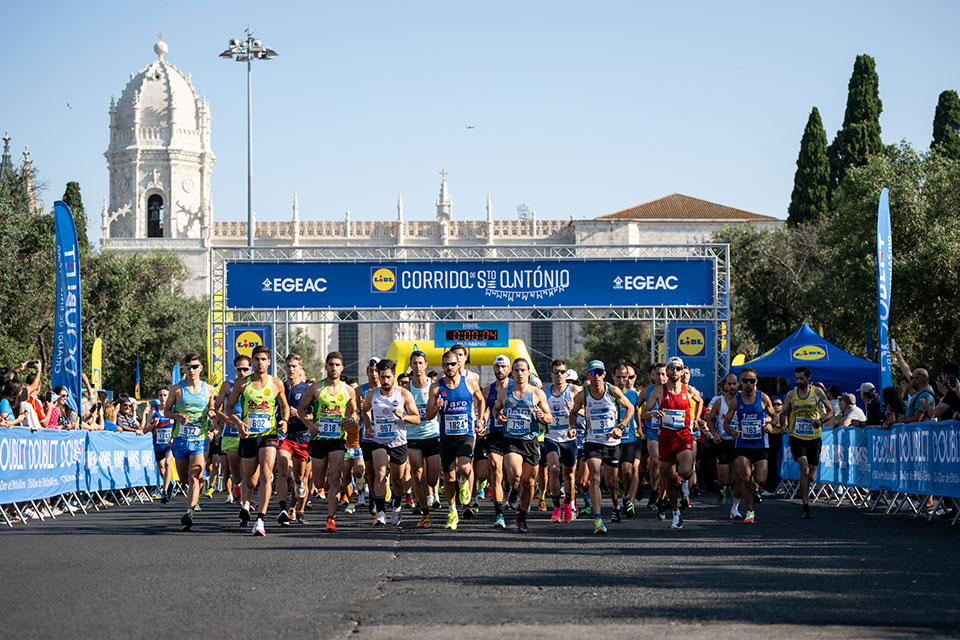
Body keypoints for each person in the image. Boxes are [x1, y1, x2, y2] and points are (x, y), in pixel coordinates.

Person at [226, 345, 290, 536]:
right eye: (257, 359)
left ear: (269, 362)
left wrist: (284, 421)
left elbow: (285, 407)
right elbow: (229, 408)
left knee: (266, 472)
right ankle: (246, 503)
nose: (260, 362)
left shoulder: (276, 384)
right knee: (249, 480)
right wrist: (238, 423)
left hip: (269, 434)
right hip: (248, 435)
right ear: (252, 361)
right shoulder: (243, 384)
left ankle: (260, 519)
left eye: (263, 359)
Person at [568, 360, 635, 534]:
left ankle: (615, 506)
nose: (596, 376)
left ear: (604, 374)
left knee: (612, 483)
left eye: (599, 372)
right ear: (588, 375)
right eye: (592, 373)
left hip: (612, 442)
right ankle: (598, 519)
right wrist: (572, 427)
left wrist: (620, 427)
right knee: (595, 478)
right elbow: (573, 412)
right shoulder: (583, 395)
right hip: (592, 441)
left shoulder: (612, 391)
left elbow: (630, 408)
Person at [425, 350, 486, 531]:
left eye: (452, 364)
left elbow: (482, 401)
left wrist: (480, 420)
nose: (450, 367)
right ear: (442, 367)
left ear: (459, 364)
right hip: (446, 437)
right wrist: (436, 408)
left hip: (466, 433)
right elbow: (428, 415)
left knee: (465, 467)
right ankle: (452, 511)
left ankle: (465, 483)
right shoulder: (436, 387)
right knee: (449, 477)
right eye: (446, 365)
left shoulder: (470, 383)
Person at [640, 357, 703, 530]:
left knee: (686, 471)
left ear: (683, 371)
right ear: (667, 371)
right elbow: (643, 413)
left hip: (683, 437)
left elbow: (700, 401)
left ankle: (683, 482)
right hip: (665, 439)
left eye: (678, 368)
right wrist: (653, 414)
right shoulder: (659, 391)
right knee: (667, 478)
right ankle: (675, 513)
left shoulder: (689, 390)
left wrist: (696, 419)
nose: (674, 371)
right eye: (671, 368)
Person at [299, 351, 358, 533]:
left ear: (342, 367)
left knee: (334, 477)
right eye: (331, 364)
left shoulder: (348, 390)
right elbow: (301, 409)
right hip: (318, 439)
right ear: (326, 366)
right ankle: (320, 487)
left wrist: (352, 419)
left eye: (337, 365)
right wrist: (309, 424)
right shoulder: (316, 389)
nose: (334, 368)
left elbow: (355, 412)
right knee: (318, 482)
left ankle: (331, 518)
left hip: (338, 440)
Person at [491, 358, 551, 533]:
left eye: (523, 370)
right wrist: (498, 417)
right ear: (512, 373)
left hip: (530, 441)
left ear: (528, 373)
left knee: (530, 482)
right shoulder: (504, 392)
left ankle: (522, 517)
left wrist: (541, 416)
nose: (519, 374)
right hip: (511, 440)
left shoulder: (538, 394)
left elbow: (549, 419)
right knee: (515, 475)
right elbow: (496, 409)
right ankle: (514, 490)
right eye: (516, 370)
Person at [163, 353, 218, 531]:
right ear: (184, 369)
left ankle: (189, 512)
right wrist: (177, 416)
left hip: (199, 440)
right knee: (186, 478)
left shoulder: (208, 389)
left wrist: (211, 412)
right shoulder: (176, 389)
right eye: (188, 367)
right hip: (180, 440)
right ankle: (196, 493)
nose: (192, 370)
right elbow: (166, 412)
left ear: (201, 368)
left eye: (195, 366)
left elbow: (212, 405)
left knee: (194, 476)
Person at [362, 358, 420, 526]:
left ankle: (396, 505)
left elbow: (416, 418)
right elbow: (365, 409)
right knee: (380, 473)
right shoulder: (371, 394)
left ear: (393, 376)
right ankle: (380, 512)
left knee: (398, 480)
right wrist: (367, 426)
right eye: (382, 377)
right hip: (379, 440)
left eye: (388, 377)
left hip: (399, 441)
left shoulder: (403, 394)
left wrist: (404, 416)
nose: (385, 381)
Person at [779, 366, 835, 519]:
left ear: (808, 378)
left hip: (814, 437)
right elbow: (783, 413)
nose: (799, 381)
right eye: (797, 378)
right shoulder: (791, 395)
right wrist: (783, 425)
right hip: (797, 436)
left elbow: (832, 411)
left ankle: (806, 487)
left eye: (802, 378)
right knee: (803, 468)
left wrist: (821, 420)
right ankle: (805, 506)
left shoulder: (817, 392)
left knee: (811, 475)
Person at [722, 367, 777, 523]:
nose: (748, 384)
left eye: (751, 381)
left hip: (760, 444)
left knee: (761, 480)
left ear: (756, 382)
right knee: (745, 478)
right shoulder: (735, 401)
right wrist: (731, 431)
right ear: (741, 382)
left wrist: (771, 425)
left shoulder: (763, 398)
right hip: (743, 444)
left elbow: (774, 417)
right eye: (745, 380)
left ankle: (755, 487)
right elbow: (726, 423)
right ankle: (750, 511)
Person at [275, 353, 312, 525]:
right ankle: (283, 509)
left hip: (303, 437)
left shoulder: (307, 390)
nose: (291, 369)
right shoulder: (279, 388)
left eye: (294, 366)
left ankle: (298, 508)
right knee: (282, 471)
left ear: (300, 368)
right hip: (284, 437)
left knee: (299, 477)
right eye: (288, 366)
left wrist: (303, 415)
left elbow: (317, 415)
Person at [406, 350, 441, 528]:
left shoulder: (434, 387)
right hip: (412, 436)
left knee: (432, 478)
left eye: (420, 363)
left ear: (426, 365)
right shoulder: (406, 389)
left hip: (432, 435)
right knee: (417, 475)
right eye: (415, 363)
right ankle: (425, 512)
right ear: (411, 365)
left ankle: (432, 492)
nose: (418, 366)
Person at [543, 359, 581, 524]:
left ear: (567, 374)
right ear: (551, 374)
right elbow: (540, 414)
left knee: (570, 475)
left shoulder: (574, 390)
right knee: (554, 470)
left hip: (569, 437)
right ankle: (556, 506)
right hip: (551, 436)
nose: (559, 375)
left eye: (562, 372)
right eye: (556, 371)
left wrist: (574, 409)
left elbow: (587, 412)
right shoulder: (545, 392)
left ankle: (568, 504)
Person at [212, 356, 251, 506]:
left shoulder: (255, 386)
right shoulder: (228, 385)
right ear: (234, 370)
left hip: (249, 434)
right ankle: (237, 485)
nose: (242, 372)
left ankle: (247, 502)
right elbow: (215, 407)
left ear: (250, 369)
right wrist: (224, 417)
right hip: (231, 434)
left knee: (249, 472)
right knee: (237, 473)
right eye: (239, 369)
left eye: (245, 369)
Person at [483, 354, 512, 528]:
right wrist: (481, 422)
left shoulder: (516, 389)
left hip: (513, 435)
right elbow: (484, 411)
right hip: (494, 434)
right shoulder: (487, 391)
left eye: (503, 367)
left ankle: (513, 492)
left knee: (513, 475)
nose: (500, 370)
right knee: (496, 468)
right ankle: (499, 513)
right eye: (497, 366)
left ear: (509, 369)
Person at [703, 373, 739, 507]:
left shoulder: (743, 399)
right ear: (724, 386)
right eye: (729, 384)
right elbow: (709, 419)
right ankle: (723, 487)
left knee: (739, 475)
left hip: (738, 442)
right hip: (722, 441)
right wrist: (714, 434)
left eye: (734, 383)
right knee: (724, 479)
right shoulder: (719, 401)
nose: (732, 386)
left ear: (738, 384)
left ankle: (736, 504)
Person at [613, 364, 642, 519]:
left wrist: (640, 429)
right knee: (612, 476)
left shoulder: (633, 394)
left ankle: (626, 497)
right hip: (611, 440)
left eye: (625, 377)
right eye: (619, 377)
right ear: (613, 377)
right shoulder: (608, 394)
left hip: (629, 438)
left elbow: (636, 411)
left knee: (628, 470)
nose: (622, 380)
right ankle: (616, 503)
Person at [141, 386, 175, 502]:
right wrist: (153, 425)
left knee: (167, 463)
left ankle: (164, 492)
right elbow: (144, 430)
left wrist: (173, 438)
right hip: (158, 445)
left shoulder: (173, 411)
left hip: (170, 445)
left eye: (165, 395)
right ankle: (169, 484)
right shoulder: (154, 412)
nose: (162, 398)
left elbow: (179, 426)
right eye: (160, 395)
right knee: (161, 470)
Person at [643, 362, 667, 518]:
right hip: (652, 431)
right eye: (657, 374)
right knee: (656, 460)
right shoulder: (646, 391)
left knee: (666, 466)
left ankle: (662, 496)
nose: (660, 377)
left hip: (668, 432)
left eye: (663, 374)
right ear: (652, 375)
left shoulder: (675, 390)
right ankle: (654, 490)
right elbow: (638, 412)